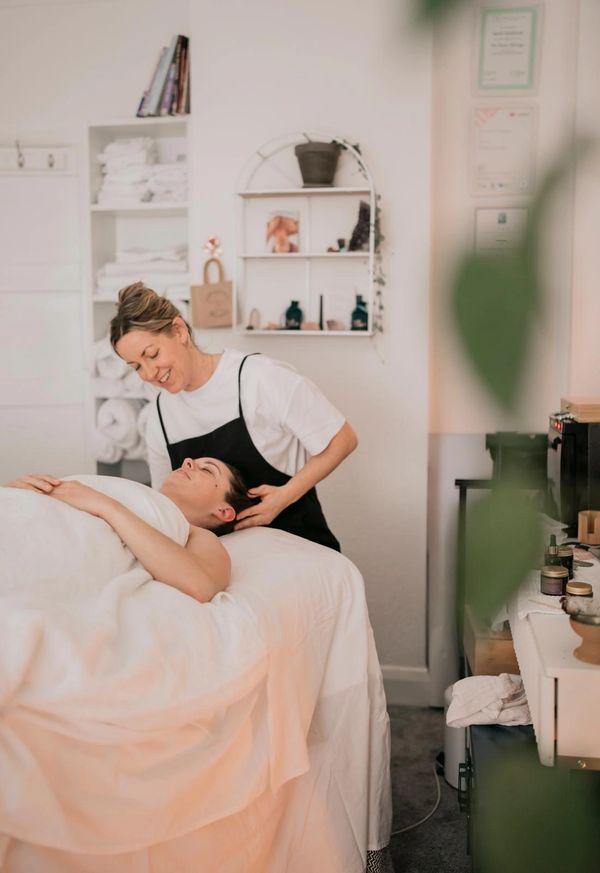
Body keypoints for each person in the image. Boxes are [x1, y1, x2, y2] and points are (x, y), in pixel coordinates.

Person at [109, 283, 358, 552]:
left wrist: (283, 497)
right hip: (226, 562)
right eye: (136, 367)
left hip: (302, 548)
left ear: (179, 331)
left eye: (152, 354)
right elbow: (166, 503)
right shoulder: (159, 415)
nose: (148, 374)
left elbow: (343, 440)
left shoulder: (259, 378)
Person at [6, 457, 255, 604]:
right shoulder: (132, 491)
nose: (187, 461)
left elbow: (200, 585)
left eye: (207, 469)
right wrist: (18, 492)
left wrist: (105, 506)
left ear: (224, 511)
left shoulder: (195, 534)